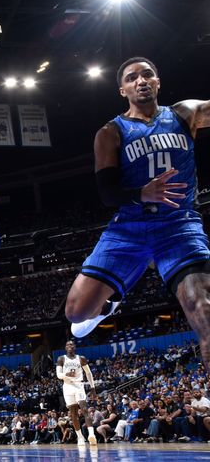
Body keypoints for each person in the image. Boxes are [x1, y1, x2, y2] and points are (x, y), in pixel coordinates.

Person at [65, 57, 210, 369]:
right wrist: (141, 193)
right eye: (132, 78)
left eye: (148, 75)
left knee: (203, 309)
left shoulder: (186, 113)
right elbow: (106, 193)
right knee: (75, 313)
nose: (141, 81)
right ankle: (110, 303)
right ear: (122, 89)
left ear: (158, 82)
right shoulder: (110, 132)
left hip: (178, 225)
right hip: (129, 227)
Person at [56, 340, 97, 446]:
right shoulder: (61, 359)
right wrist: (66, 374)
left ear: (75, 347)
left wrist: (93, 388)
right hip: (67, 386)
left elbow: (88, 373)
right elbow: (58, 375)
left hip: (79, 385)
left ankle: (91, 435)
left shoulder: (81, 358)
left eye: (72, 344)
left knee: (84, 409)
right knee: (73, 414)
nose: (70, 346)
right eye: (68, 344)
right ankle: (80, 437)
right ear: (65, 347)